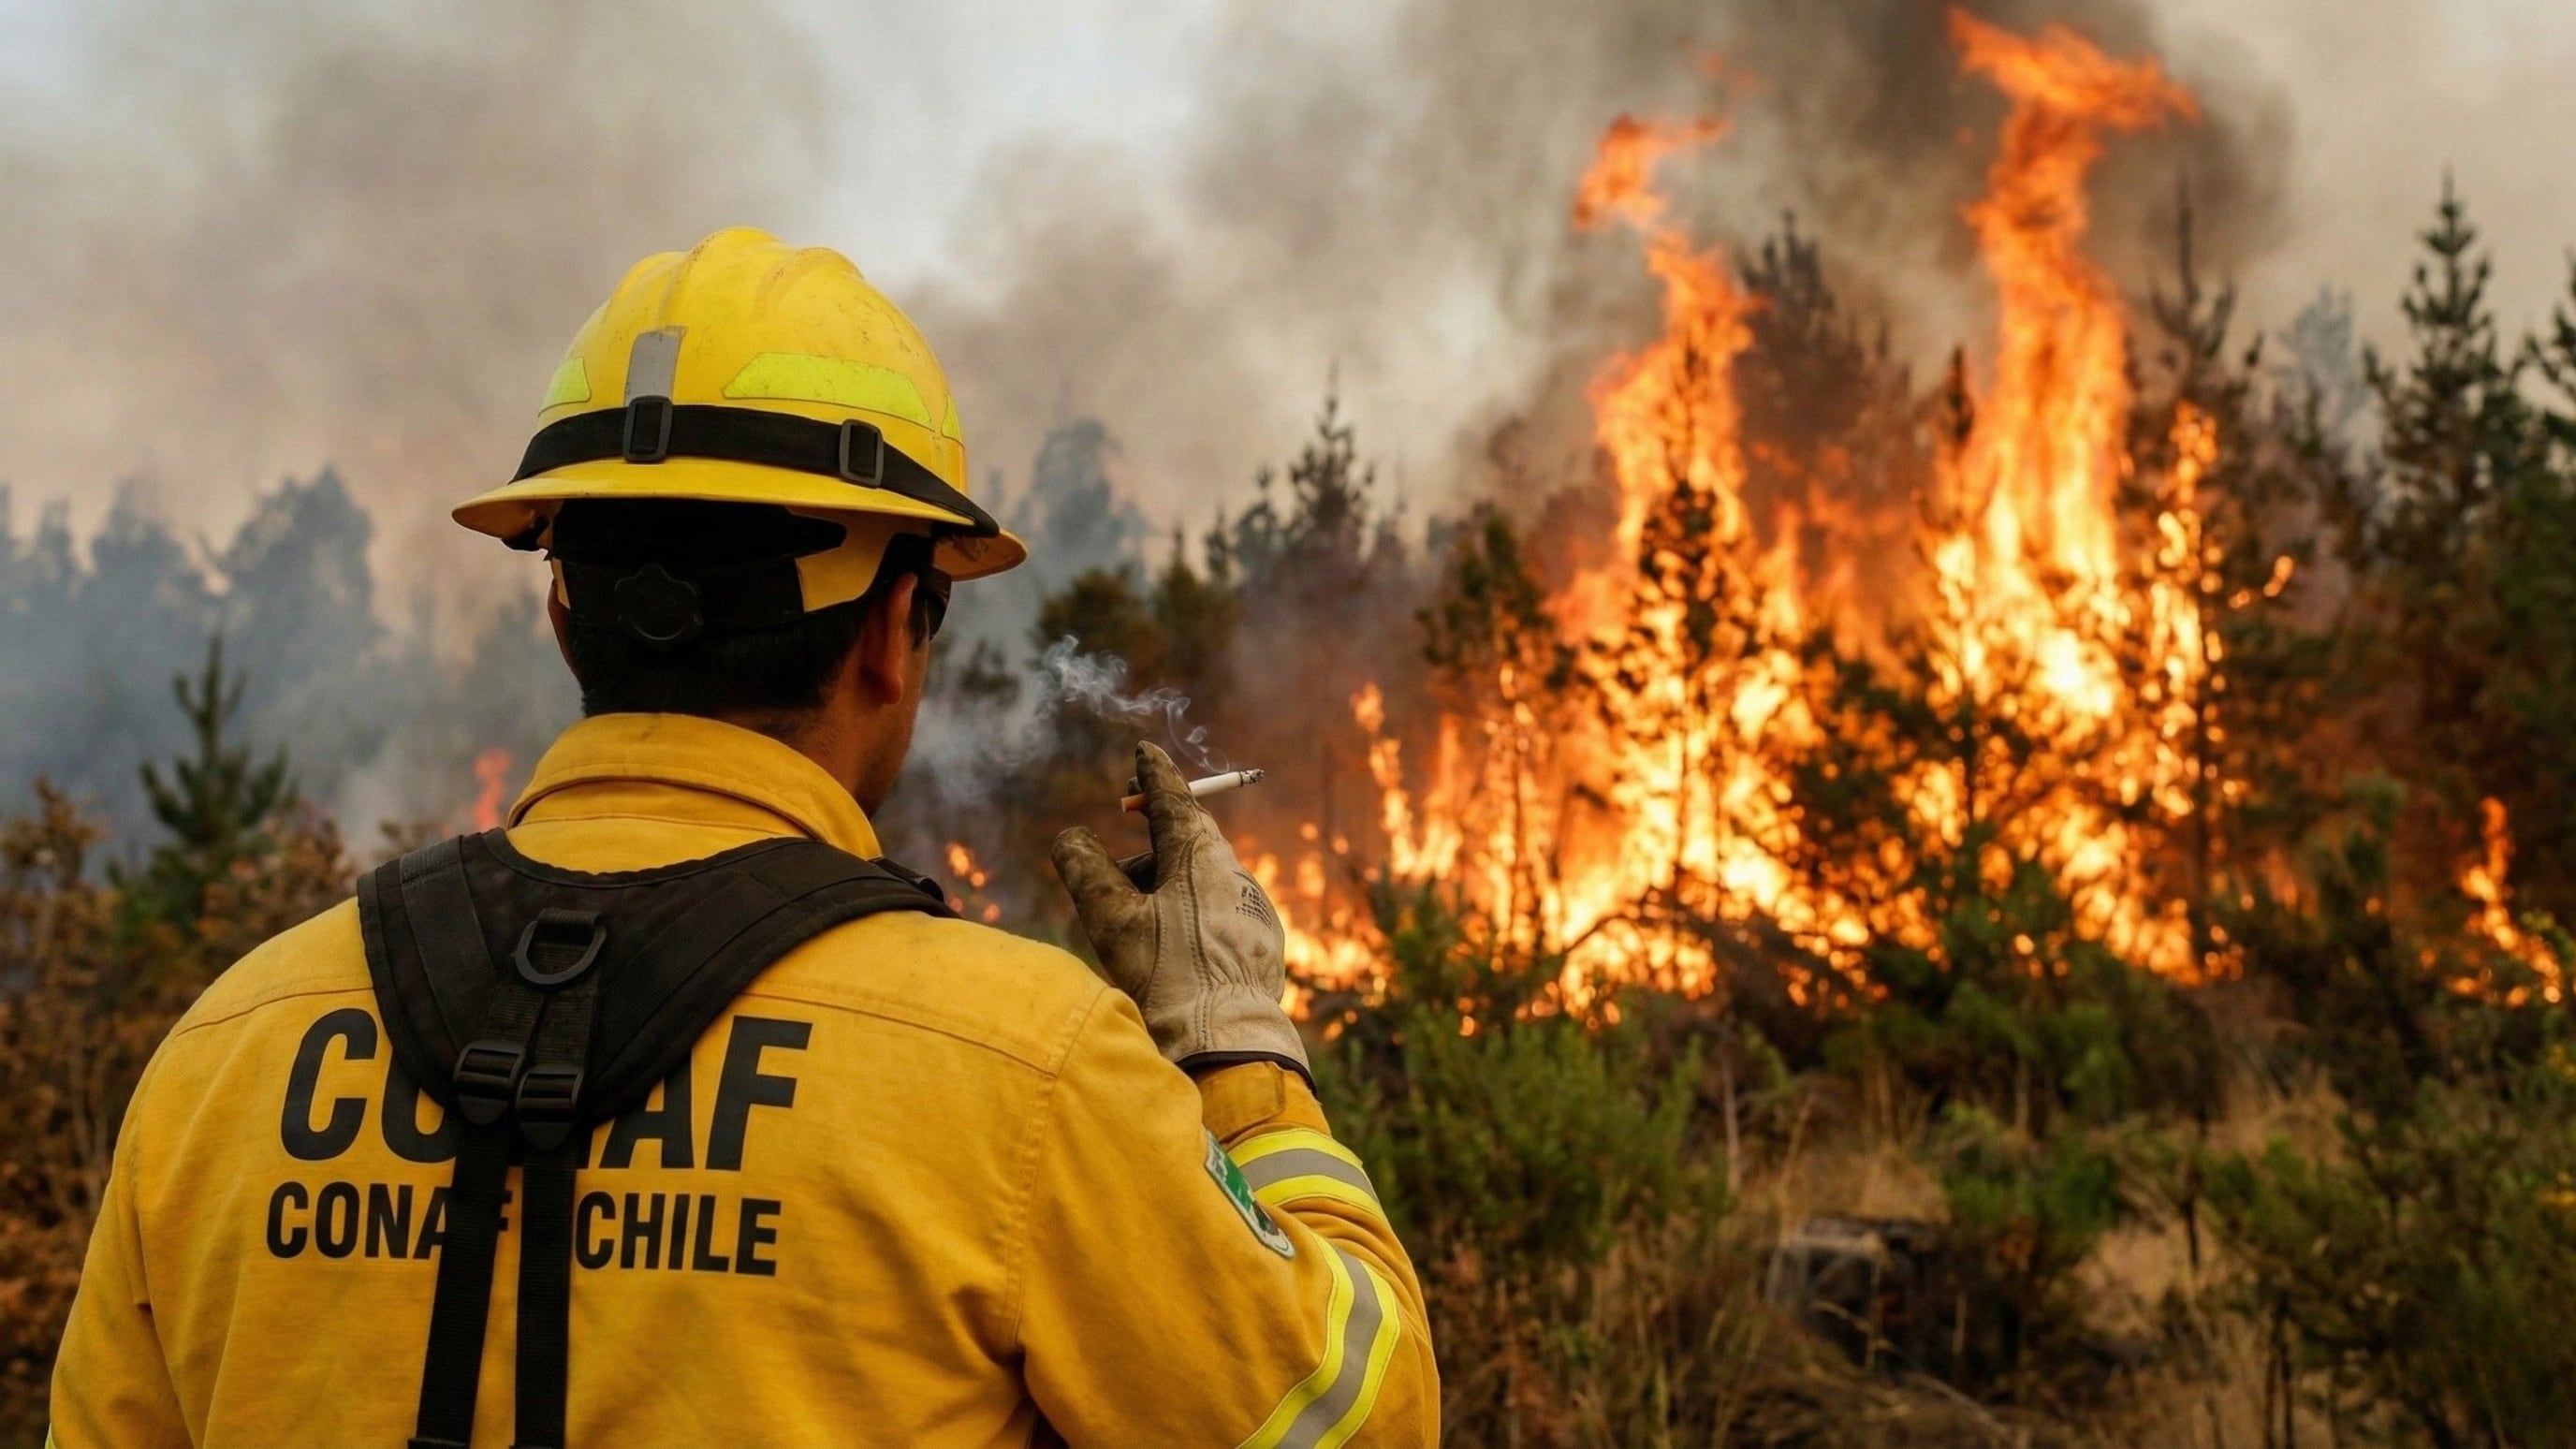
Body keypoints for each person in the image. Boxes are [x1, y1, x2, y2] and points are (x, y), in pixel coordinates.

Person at [48, 227, 1437, 1448]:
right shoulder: (1025, 1074)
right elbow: (1354, 1427)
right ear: (894, 629)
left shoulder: (224, 1058)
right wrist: (1235, 1047)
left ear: (563, 607)